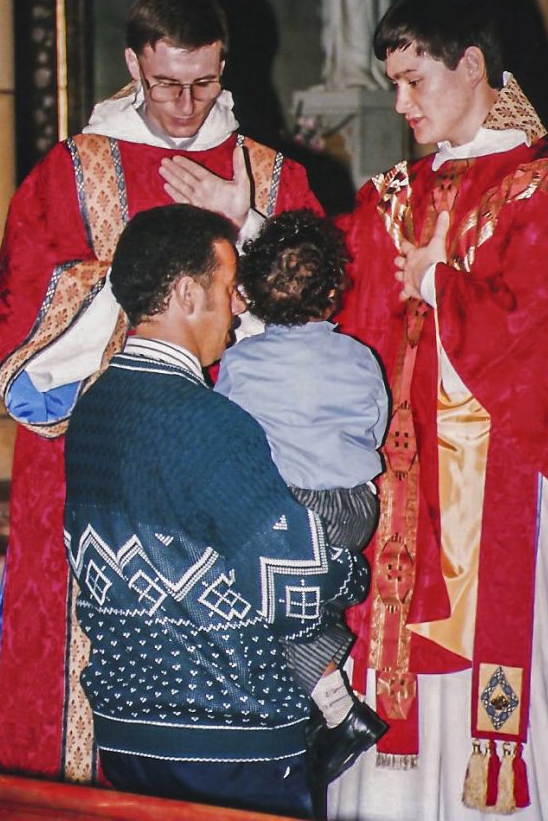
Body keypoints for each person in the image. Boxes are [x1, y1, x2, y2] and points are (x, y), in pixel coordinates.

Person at [322, 0, 548, 821]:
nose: (400, 102)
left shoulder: (547, 192)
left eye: (414, 80)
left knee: (496, 683)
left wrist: (444, 285)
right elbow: (325, 284)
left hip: (504, 493)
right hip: (402, 497)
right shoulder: (395, 195)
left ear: (471, 65)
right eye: (393, 83)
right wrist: (254, 229)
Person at [0, 0, 321, 782]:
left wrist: (249, 224)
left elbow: (332, 302)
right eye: (167, 81)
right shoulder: (72, 173)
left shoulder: (269, 175)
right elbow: (12, 328)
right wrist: (136, 279)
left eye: (203, 82)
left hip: (238, 475)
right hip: (100, 466)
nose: (184, 104)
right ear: (134, 61)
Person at [63, 204, 368, 817]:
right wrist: (351, 570)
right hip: (229, 739)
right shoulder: (212, 423)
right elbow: (291, 592)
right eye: (229, 290)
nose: (241, 308)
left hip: (125, 732)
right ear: (185, 293)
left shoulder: (94, 408)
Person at [215, 209, 389, 786]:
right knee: (307, 606)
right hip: (355, 508)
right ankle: (322, 707)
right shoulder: (361, 357)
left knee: (265, 610)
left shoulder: (240, 360)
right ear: (334, 291)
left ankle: (337, 711)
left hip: (288, 512)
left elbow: (232, 435)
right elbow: (375, 426)